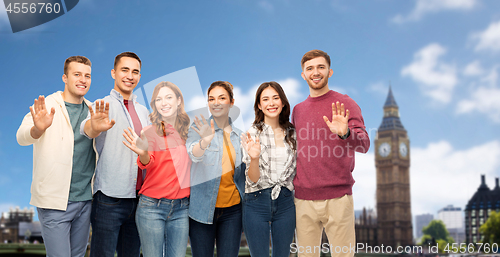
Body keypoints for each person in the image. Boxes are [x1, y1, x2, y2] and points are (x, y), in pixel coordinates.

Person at [292, 49, 370, 257]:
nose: (315, 72)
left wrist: (345, 133)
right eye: (309, 68)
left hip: (338, 199)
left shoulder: (346, 103)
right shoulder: (297, 110)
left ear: (330, 72)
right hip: (303, 200)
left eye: (320, 67)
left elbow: (364, 144)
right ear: (303, 75)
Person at [16, 56, 95, 257]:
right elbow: (21, 137)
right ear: (65, 78)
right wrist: (37, 129)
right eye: (76, 74)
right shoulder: (47, 104)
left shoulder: (94, 110)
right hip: (54, 203)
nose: (82, 80)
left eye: (87, 76)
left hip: (85, 200)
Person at [81, 52, 149, 257]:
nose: (130, 75)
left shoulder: (144, 111)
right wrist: (94, 127)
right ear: (113, 73)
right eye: (125, 70)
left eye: (135, 71)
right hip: (109, 198)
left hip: (139, 199)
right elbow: (87, 129)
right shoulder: (102, 105)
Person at [122, 81, 191, 257]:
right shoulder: (150, 131)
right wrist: (143, 153)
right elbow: (148, 162)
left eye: (168, 97)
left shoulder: (189, 132)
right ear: (155, 105)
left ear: (178, 100)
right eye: (159, 99)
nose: (164, 102)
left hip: (181, 208)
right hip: (152, 207)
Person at [186, 81, 245, 257]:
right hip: (201, 209)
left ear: (231, 102)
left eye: (222, 98)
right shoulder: (197, 129)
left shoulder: (240, 136)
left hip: (233, 210)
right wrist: (205, 141)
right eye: (211, 99)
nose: (216, 102)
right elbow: (194, 155)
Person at [241, 81, 297, 257]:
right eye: (265, 99)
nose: (271, 103)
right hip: (256, 201)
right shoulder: (252, 133)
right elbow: (253, 179)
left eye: (275, 98)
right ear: (259, 105)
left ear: (283, 102)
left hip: (286, 202)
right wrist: (254, 158)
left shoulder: (293, 133)